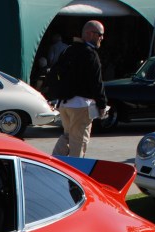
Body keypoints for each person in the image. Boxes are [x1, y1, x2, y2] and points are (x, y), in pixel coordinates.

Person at [52, 21, 107, 159]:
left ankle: (54, 163)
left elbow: (54, 74)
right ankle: (76, 174)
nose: (102, 38)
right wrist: (102, 105)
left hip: (64, 104)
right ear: (89, 34)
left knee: (67, 135)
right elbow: (96, 82)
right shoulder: (90, 54)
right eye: (100, 34)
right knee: (79, 140)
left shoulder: (68, 50)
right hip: (81, 106)